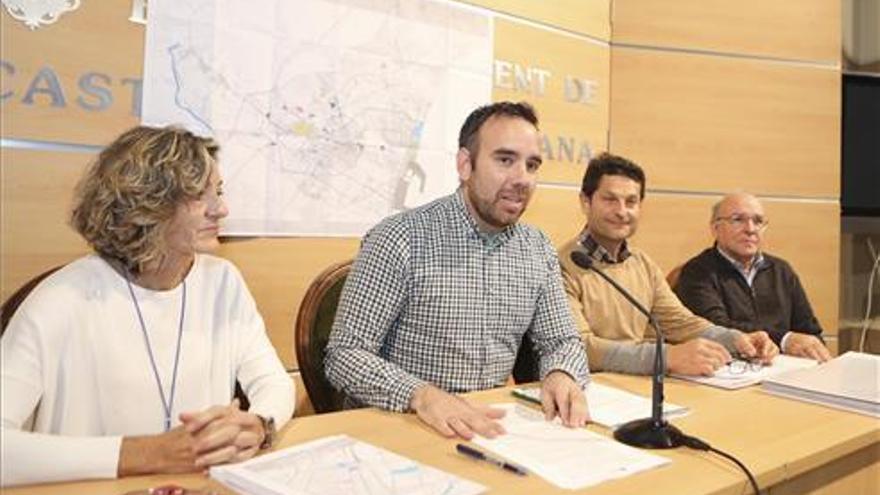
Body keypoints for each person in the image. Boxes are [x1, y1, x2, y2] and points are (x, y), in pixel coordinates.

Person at [0, 126, 294, 486]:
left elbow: (273, 381)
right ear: (145, 205)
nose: (222, 209)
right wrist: (147, 453)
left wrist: (260, 424)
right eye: (198, 196)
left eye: (218, 191)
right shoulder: (58, 301)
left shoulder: (223, 281)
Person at [325, 101, 590, 440]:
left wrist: (561, 373)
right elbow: (344, 356)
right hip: (402, 428)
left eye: (532, 164)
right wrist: (421, 396)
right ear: (465, 165)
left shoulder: (537, 248)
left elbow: (562, 340)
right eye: (505, 160)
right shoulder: (398, 238)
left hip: (488, 431)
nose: (522, 179)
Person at [559, 153, 779, 376]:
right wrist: (665, 357)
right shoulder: (562, 265)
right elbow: (581, 347)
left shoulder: (642, 263)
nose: (622, 211)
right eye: (610, 200)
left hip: (635, 386)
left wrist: (736, 339)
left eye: (631, 202)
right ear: (585, 202)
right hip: (586, 391)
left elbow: (680, 322)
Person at [674, 193, 831, 362]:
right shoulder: (697, 272)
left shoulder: (782, 270)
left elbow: (810, 332)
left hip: (783, 371)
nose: (750, 229)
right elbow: (716, 328)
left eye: (758, 221)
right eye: (738, 220)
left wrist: (813, 349)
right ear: (715, 228)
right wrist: (784, 340)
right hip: (728, 372)